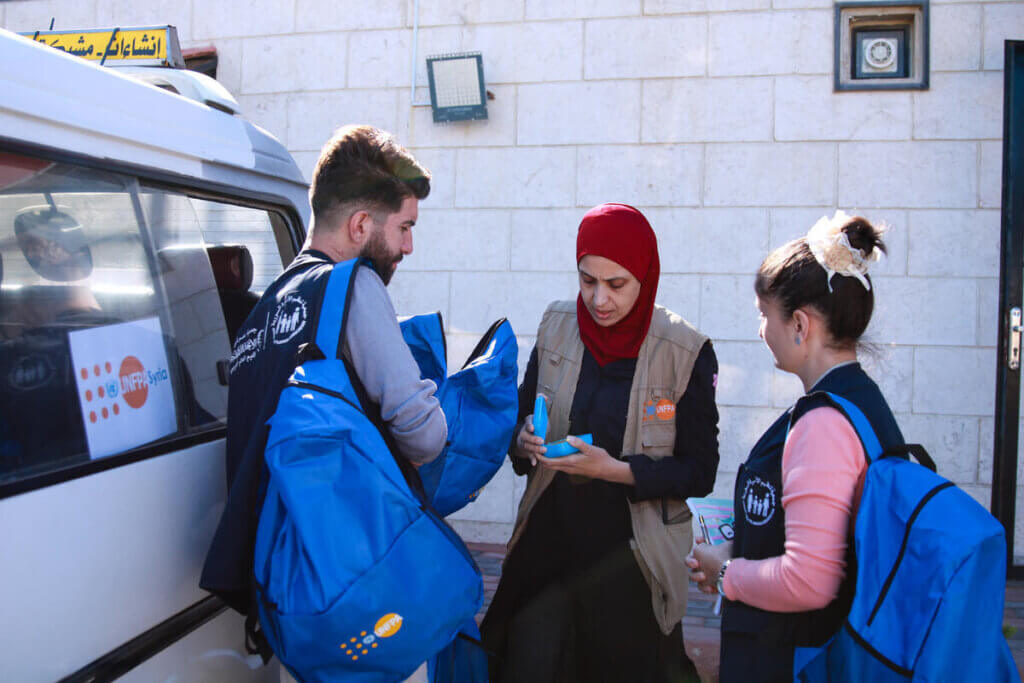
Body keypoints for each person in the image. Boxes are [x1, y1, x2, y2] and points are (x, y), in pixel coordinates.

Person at [200, 125, 446, 683]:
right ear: (361, 225)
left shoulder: (266, 307)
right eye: (404, 227)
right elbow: (425, 435)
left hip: (290, 590)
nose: (409, 245)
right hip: (361, 589)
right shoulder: (354, 288)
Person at [480, 203, 719, 683]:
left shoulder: (684, 350)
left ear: (645, 276)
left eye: (616, 284)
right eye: (588, 281)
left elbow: (700, 470)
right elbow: (521, 412)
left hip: (632, 559)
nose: (599, 300)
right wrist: (524, 439)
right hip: (548, 545)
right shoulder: (557, 324)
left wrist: (617, 471)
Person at [686, 211, 901, 682]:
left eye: (765, 315)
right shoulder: (859, 401)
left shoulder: (822, 423)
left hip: (797, 659)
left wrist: (727, 573)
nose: (761, 330)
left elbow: (809, 580)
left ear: (800, 325)